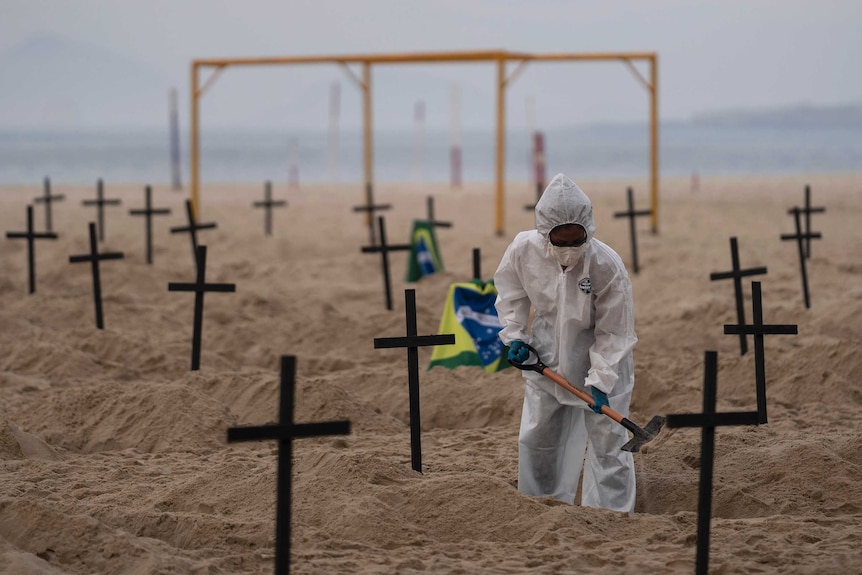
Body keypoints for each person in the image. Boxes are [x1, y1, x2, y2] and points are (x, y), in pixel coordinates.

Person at [493, 173, 638, 512]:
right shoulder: (523, 249)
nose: (570, 248)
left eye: (577, 240)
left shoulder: (606, 265)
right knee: (538, 436)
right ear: (546, 233)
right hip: (544, 356)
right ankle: (541, 506)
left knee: (608, 443)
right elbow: (510, 294)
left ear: (588, 230)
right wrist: (514, 336)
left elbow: (614, 332)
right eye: (562, 240)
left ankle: (610, 514)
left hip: (602, 358)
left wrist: (601, 380)